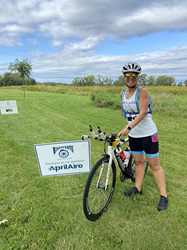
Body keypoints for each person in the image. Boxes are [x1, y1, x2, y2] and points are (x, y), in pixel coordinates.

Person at [117, 62, 168, 211]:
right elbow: (128, 113)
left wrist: (128, 127)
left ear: (137, 77)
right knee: (139, 163)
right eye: (128, 75)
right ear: (124, 77)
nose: (130, 78)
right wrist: (130, 129)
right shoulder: (122, 94)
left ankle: (163, 196)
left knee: (154, 165)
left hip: (148, 135)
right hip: (134, 136)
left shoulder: (142, 92)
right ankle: (137, 188)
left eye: (134, 75)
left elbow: (143, 112)